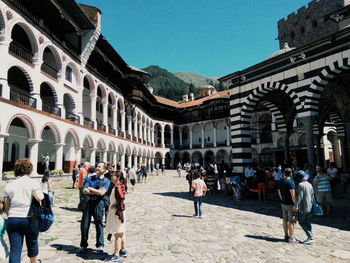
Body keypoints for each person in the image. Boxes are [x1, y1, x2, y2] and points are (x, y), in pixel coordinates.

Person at [3, 158, 44, 263]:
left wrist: (10, 214)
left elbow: (6, 204)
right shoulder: (33, 182)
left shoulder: (9, 185)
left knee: (15, 250)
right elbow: (40, 197)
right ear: (29, 168)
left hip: (13, 219)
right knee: (32, 243)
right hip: (28, 219)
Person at [79, 162, 110, 254]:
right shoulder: (90, 178)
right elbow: (84, 190)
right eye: (97, 166)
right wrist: (96, 191)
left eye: (99, 167)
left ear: (104, 170)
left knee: (99, 223)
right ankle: (83, 245)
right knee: (84, 225)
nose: (97, 168)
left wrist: (91, 189)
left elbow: (102, 193)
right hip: (88, 202)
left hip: (99, 203)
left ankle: (100, 245)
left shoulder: (106, 181)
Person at [105, 171, 128, 261]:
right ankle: (124, 249)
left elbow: (121, 198)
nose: (111, 176)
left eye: (113, 175)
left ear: (118, 177)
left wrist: (117, 205)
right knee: (122, 231)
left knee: (117, 233)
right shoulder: (120, 185)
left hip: (117, 212)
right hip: (120, 211)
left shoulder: (117, 187)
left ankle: (116, 253)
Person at [293, 170, 315, 245]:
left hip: (303, 207)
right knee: (308, 222)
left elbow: (300, 197)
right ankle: (310, 237)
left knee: (301, 221)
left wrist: (296, 205)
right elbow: (312, 196)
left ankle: (310, 236)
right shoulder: (309, 184)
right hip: (310, 206)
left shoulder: (300, 185)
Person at [278, 168, 296, 243]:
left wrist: (281, 199)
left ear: (284, 173)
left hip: (283, 203)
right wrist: (295, 204)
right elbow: (293, 194)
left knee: (285, 219)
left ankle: (286, 235)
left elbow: (279, 191)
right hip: (290, 204)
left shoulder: (281, 181)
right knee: (291, 220)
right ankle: (291, 237)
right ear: (291, 173)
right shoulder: (290, 182)